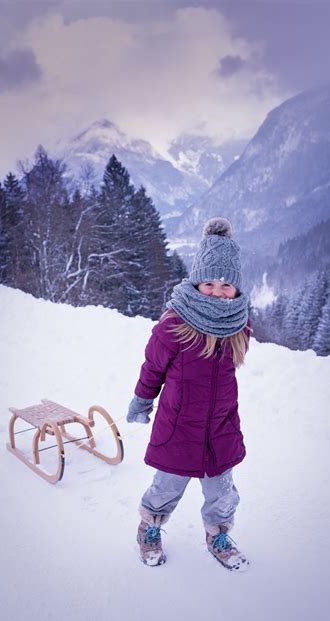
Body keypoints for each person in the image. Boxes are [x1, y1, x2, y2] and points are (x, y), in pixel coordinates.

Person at [127, 217, 251, 572]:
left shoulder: (238, 325)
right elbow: (153, 368)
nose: (216, 290)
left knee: (223, 494)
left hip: (221, 428)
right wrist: (142, 400)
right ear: (196, 282)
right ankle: (149, 527)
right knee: (166, 487)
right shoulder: (174, 324)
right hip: (179, 427)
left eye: (226, 284)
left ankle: (218, 535)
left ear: (237, 288)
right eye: (209, 282)